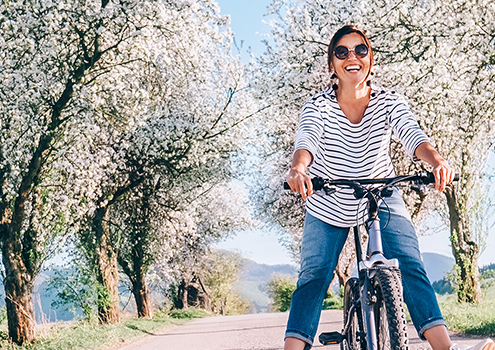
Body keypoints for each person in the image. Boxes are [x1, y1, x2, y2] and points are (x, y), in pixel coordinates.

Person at [285, 24, 494, 350]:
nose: (352, 57)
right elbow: (307, 140)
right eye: (342, 52)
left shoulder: (388, 101)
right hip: (328, 198)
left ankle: (446, 349)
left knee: (410, 265)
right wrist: (299, 170)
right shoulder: (318, 106)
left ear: (371, 59)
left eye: (360, 50)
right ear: (332, 64)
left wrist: (436, 162)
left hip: (381, 194)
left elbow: (413, 135)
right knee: (313, 278)